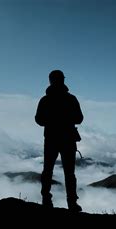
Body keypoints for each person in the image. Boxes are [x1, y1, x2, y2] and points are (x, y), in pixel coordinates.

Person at [35, 70, 84, 212]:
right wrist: (66, 119)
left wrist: (51, 120)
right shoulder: (71, 99)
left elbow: (39, 119)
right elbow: (79, 119)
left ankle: (46, 200)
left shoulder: (45, 100)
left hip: (51, 138)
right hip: (68, 139)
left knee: (48, 170)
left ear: (50, 81)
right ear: (62, 80)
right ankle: (72, 203)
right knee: (69, 173)